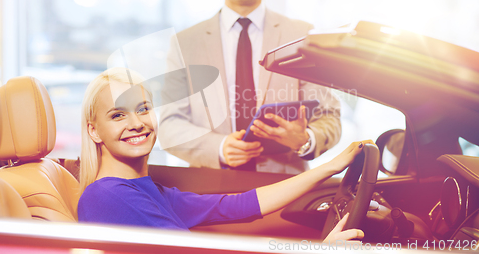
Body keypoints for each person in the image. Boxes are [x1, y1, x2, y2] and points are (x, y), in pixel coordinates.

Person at [78, 68, 367, 243]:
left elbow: (241, 205)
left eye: (143, 108)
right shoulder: (109, 195)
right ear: (94, 131)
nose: (137, 123)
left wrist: (330, 166)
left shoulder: (146, 192)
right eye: (118, 114)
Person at [159, 0, 341, 174]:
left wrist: (306, 138)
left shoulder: (302, 36)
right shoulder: (185, 43)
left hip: (286, 186)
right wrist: (219, 147)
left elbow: (330, 116)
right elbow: (169, 125)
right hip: (210, 189)